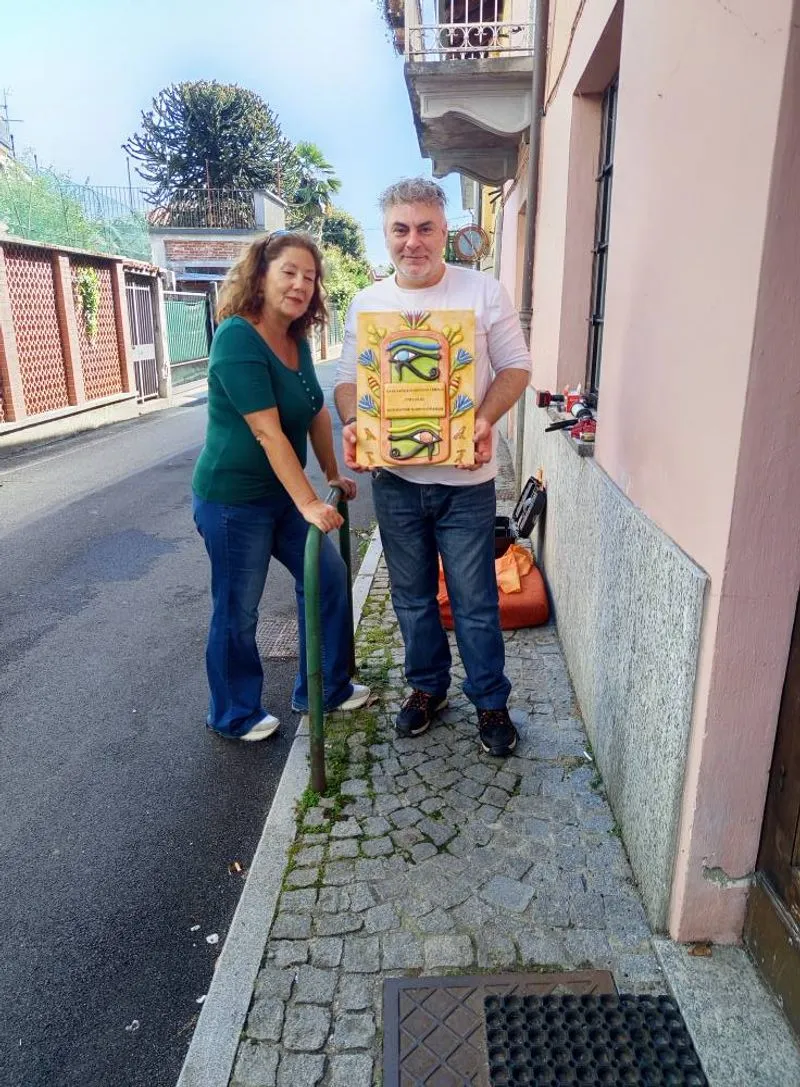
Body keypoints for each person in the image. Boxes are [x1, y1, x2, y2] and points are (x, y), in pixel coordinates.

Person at [334, 178, 530, 758]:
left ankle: (490, 700)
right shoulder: (367, 303)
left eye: (425, 228)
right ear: (386, 234)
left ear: (445, 232)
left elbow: (516, 367)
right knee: (412, 599)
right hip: (395, 484)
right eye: (401, 229)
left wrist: (484, 420)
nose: (412, 241)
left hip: (466, 486)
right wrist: (355, 422)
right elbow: (348, 381)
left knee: (475, 602)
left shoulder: (482, 291)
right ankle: (428, 689)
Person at [192, 231, 369, 741]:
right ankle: (233, 713)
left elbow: (314, 410)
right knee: (238, 608)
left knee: (328, 577)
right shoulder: (236, 337)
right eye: (289, 272)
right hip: (232, 500)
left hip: (279, 495)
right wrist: (310, 500)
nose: (300, 285)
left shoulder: (296, 338)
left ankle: (323, 688)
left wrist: (331, 472)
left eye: (309, 277)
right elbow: (267, 431)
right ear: (261, 275)